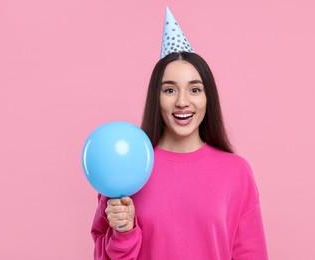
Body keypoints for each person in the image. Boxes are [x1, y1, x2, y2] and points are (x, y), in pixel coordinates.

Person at [90, 51, 269, 259]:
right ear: (156, 98)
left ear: (207, 97)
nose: (182, 102)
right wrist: (124, 232)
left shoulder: (237, 172)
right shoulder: (128, 166)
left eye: (194, 89)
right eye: (169, 90)